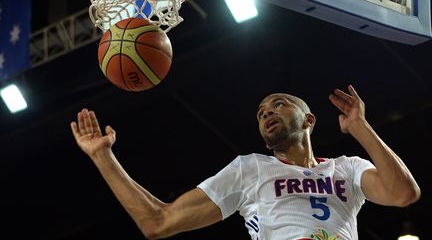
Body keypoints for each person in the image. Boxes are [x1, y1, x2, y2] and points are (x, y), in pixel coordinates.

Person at [70, 85, 420, 239]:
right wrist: (103, 157)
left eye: (279, 104)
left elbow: (404, 194)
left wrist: (361, 128)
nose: (267, 112)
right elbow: (158, 222)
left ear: (309, 120)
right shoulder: (250, 168)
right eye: (261, 112)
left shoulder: (348, 168)